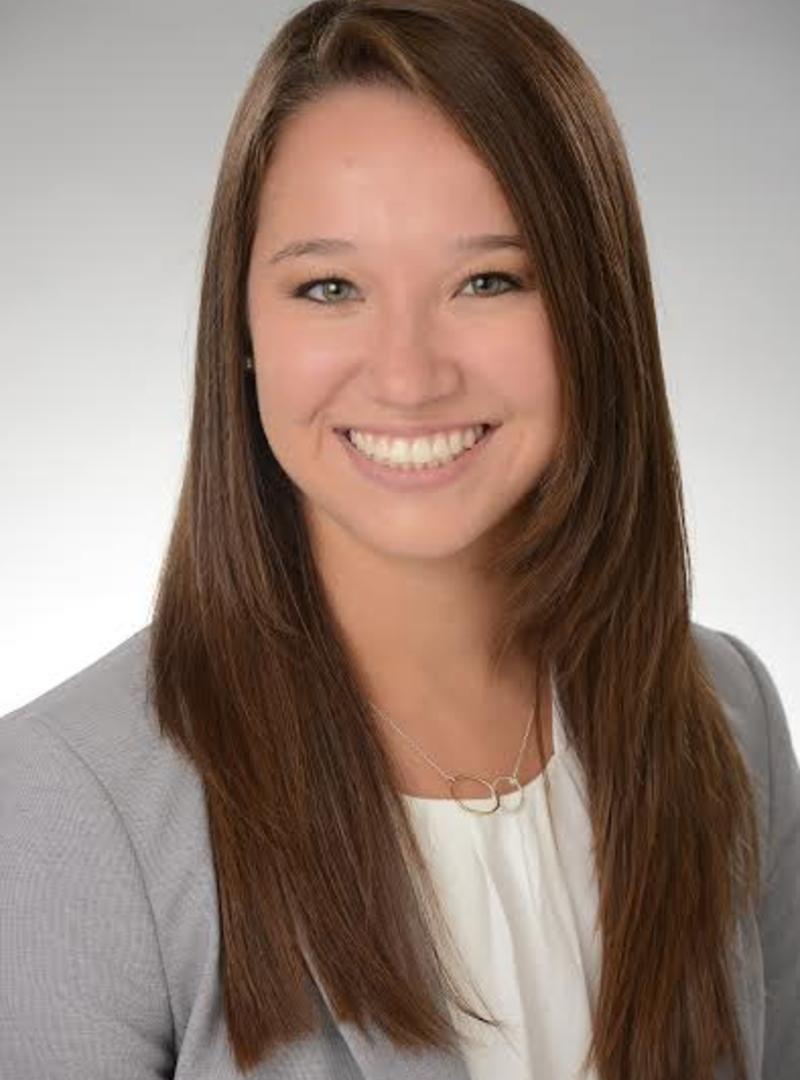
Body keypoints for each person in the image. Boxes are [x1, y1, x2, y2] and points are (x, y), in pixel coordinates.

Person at [1, 1, 797, 1078]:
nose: (409, 375)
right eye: (328, 287)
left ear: (592, 313)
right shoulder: (66, 812)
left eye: (488, 281)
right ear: (240, 332)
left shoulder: (726, 712)